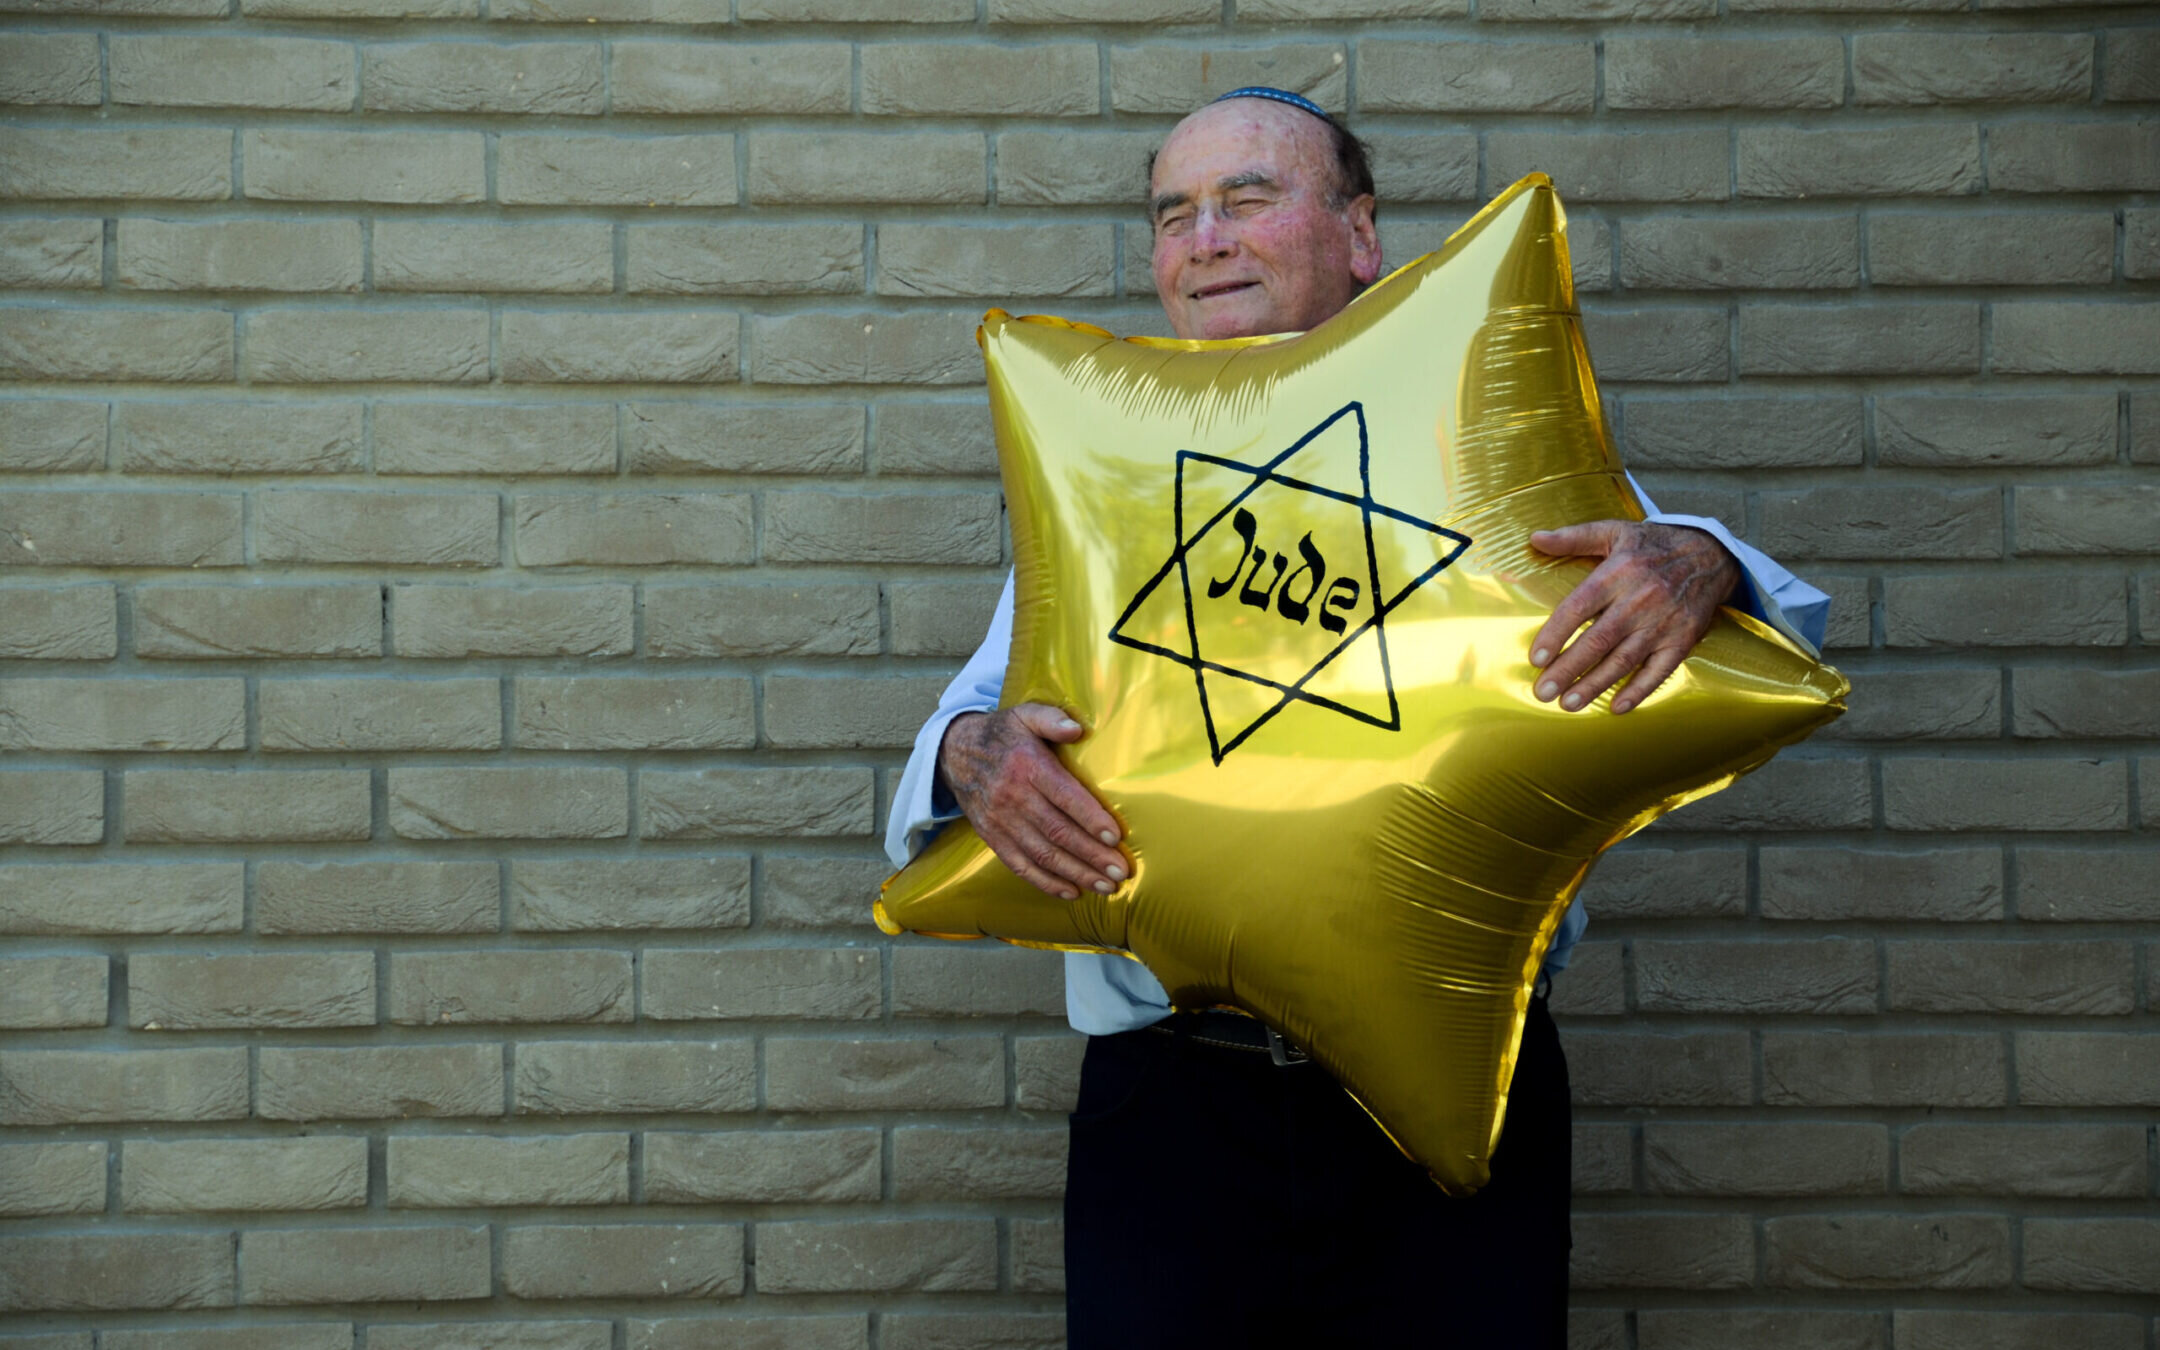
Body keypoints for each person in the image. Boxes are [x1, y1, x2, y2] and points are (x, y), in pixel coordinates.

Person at [885, 88, 1830, 1349]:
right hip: (1173, 1110)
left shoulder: (1471, 428)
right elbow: (975, 715)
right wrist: (969, 753)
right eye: (1174, 214)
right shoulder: (1113, 470)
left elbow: (1740, 618)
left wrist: (1704, 559)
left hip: (1453, 1089)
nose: (1204, 237)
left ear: (1361, 235)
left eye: (1248, 197)